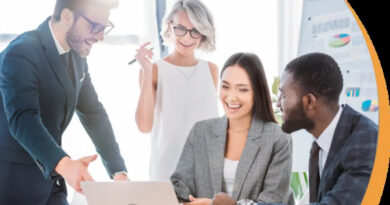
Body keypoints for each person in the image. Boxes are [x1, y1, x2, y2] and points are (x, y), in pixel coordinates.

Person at [0, 0, 128, 204]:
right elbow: (23, 118)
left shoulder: (77, 57)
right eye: (94, 27)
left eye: (104, 28)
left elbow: (93, 113)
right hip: (13, 184)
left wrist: (118, 172)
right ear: (67, 17)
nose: (100, 36)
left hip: (51, 185)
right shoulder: (21, 53)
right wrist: (66, 165)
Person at [171, 53, 295, 205]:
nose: (231, 97)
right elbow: (179, 185)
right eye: (225, 86)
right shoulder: (201, 131)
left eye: (242, 90)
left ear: (257, 92)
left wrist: (213, 204)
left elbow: (272, 201)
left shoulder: (278, 138)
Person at [276, 52, 378, 204]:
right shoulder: (323, 140)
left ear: (309, 101)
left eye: (283, 96)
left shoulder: (365, 142)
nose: (278, 104)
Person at [134, 0, 219, 181]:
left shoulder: (211, 70)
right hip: (167, 173)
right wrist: (146, 73)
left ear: (203, 33)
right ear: (169, 27)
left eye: (195, 30)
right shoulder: (154, 70)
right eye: (180, 28)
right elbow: (144, 125)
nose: (187, 38)